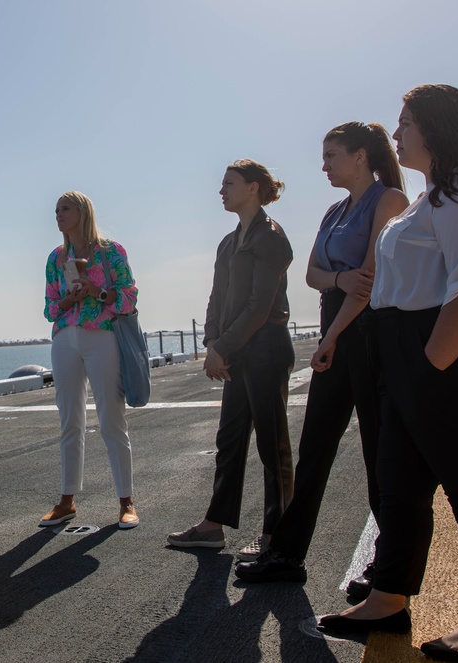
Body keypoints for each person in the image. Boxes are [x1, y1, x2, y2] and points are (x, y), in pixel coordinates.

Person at [316, 85, 458, 663]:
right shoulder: (431, 198)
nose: (396, 134)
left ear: (437, 128)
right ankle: (388, 597)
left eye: (406, 122)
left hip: (452, 353)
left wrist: (427, 370)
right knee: (400, 486)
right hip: (412, 352)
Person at [235, 123, 407, 587]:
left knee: (378, 453)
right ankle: (288, 555)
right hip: (338, 326)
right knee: (315, 446)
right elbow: (312, 273)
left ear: (361, 155)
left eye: (332, 155)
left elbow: (369, 281)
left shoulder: (388, 199)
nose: (324, 164)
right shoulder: (334, 211)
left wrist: (330, 335)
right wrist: (338, 281)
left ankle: (386, 565)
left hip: (368, 334)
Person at [168, 159, 294, 555]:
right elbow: (216, 300)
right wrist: (212, 343)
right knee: (230, 439)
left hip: (266, 347)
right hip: (236, 351)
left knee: (272, 445)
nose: (222, 190)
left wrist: (224, 346)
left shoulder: (270, 237)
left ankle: (277, 533)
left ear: (254, 187)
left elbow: (260, 306)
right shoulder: (228, 242)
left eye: (229, 183)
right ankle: (213, 526)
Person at [41, 191, 140, 530]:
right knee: (70, 419)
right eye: (56, 210)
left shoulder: (111, 252)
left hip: (103, 336)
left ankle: (126, 501)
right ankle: (67, 500)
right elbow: (49, 309)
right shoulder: (56, 258)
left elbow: (128, 295)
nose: (58, 214)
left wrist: (95, 292)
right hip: (65, 337)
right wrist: (70, 299)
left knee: (111, 418)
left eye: (65, 208)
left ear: (83, 212)